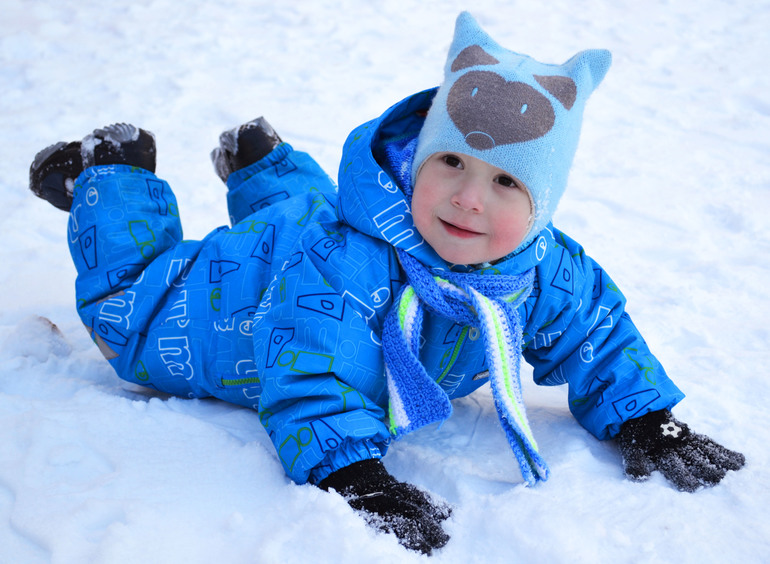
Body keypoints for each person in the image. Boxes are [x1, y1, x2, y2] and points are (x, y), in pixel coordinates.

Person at [28, 12, 744, 555]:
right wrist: (350, 470)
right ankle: (112, 172)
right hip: (230, 302)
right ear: (418, 159)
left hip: (307, 229)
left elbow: (594, 327)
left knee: (302, 215)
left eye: (504, 182)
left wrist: (645, 417)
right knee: (134, 315)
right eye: (452, 165)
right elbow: (310, 367)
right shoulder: (342, 269)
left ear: (541, 207)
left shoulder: (539, 265)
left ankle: (262, 165)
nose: (469, 198)